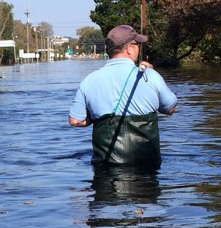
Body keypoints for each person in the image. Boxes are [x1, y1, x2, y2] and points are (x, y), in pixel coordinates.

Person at [68, 24, 177, 169]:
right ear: (129, 48)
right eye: (137, 44)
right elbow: (169, 109)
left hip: (106, 170)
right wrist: (152, 73)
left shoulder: (89, 80)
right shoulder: (149, 76)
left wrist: (98, 117)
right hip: (146, 168)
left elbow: (75, 121)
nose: (139, 48)